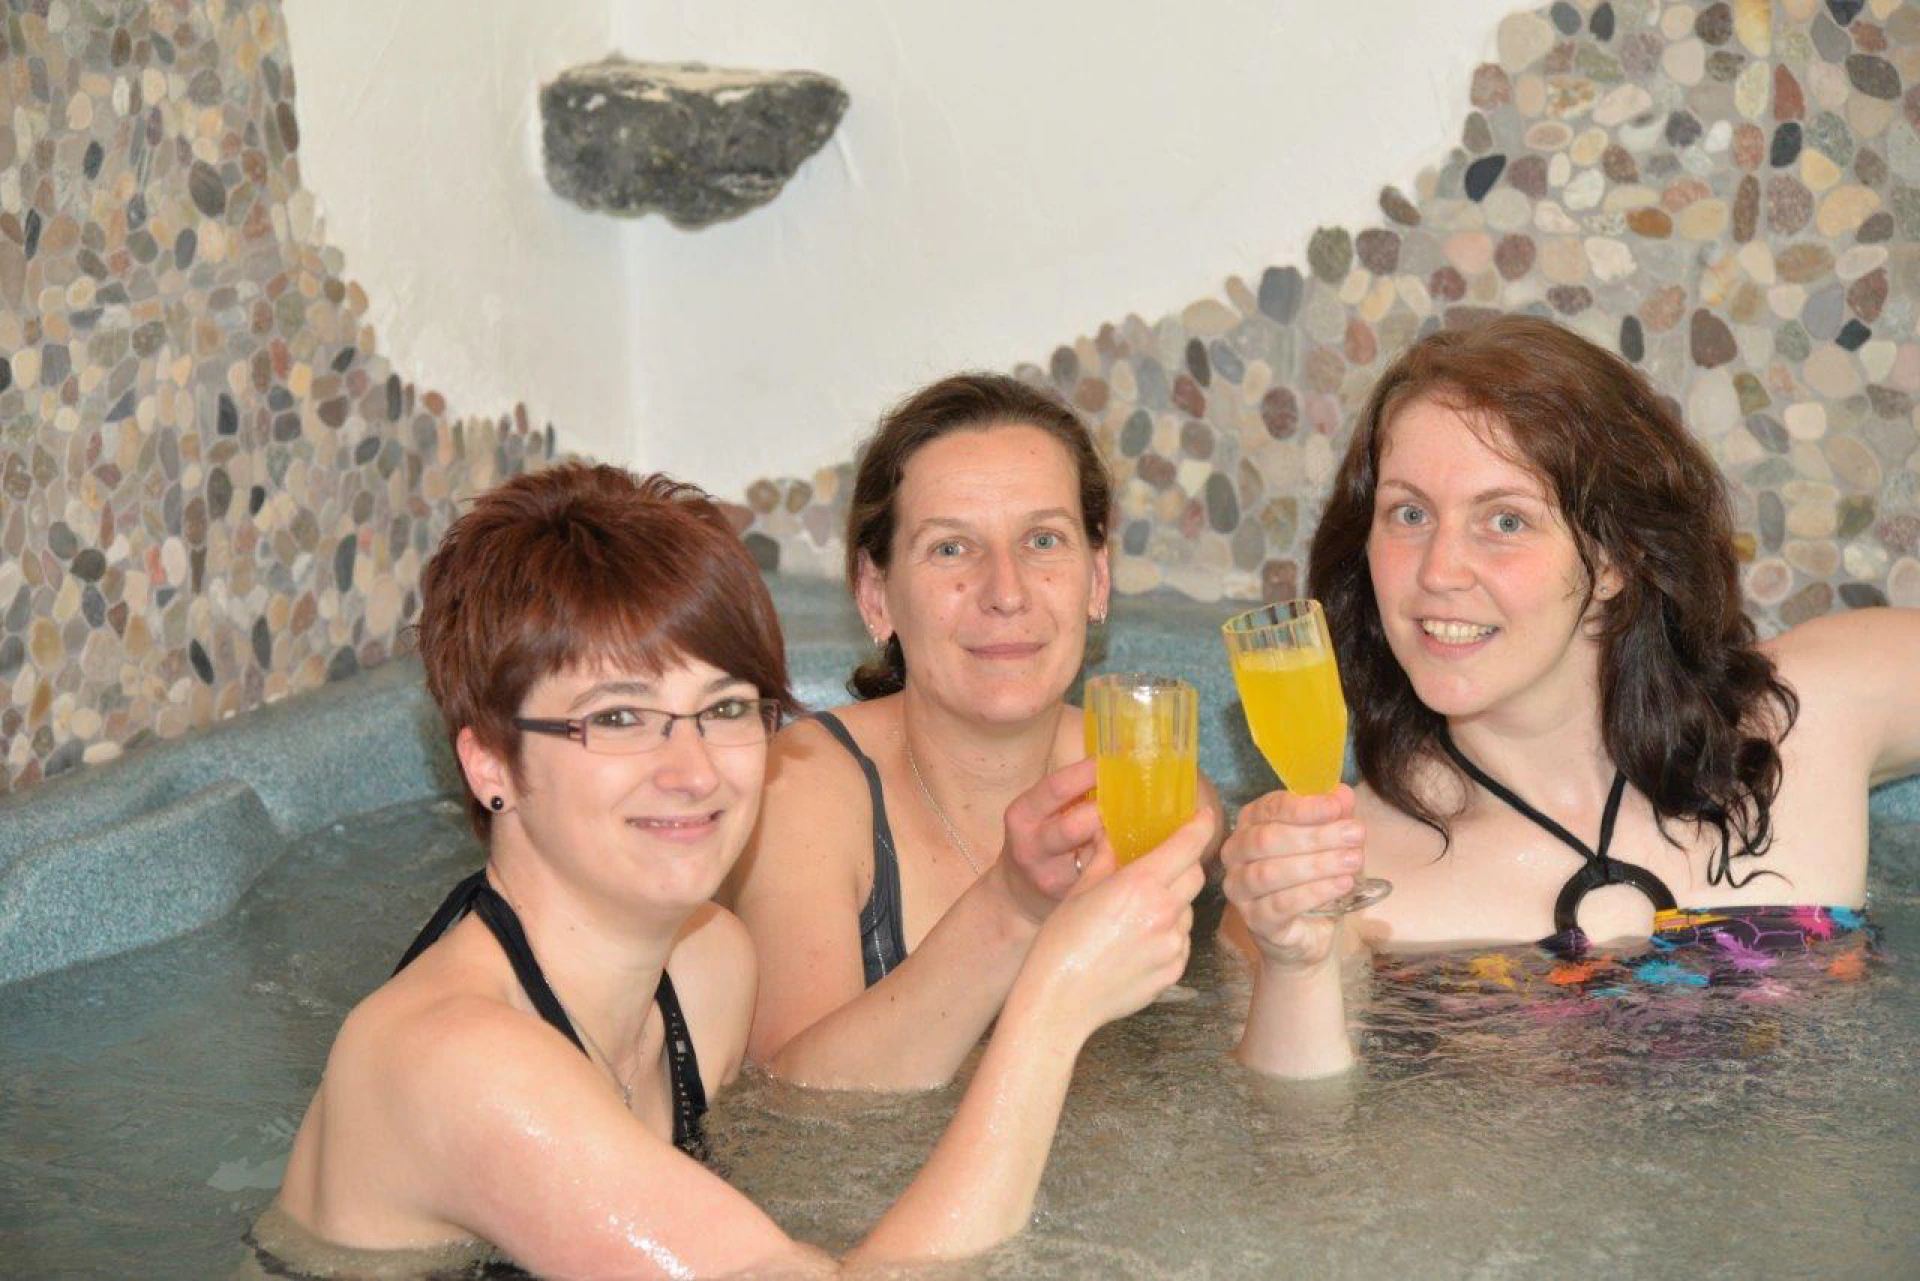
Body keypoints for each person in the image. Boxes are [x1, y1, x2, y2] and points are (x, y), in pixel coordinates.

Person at [250, 462, 1213, 1275]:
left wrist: (1026, 918)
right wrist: (1051, 1008)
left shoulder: (706, 968)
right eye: (618, 717)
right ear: (491, 762)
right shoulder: (454, 1062)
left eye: (723, 708)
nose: (694, 770)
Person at [1221, 315, 1920, 1078]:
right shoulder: (1327, 874)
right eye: (1409, 514)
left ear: (1615, 558)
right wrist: (1296, 964)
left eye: (1506, 520)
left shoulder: (1817, 713)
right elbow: (1297, 1137)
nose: (1438, 570)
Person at [725, 374, 1223, 1090]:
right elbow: (793, 1106)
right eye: (952, 549)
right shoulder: (801, 789)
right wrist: (1010, 908)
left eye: (1043, 540)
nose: (1006, 592)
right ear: (875, 594)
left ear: (1097, 579)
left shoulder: (1155, 789)